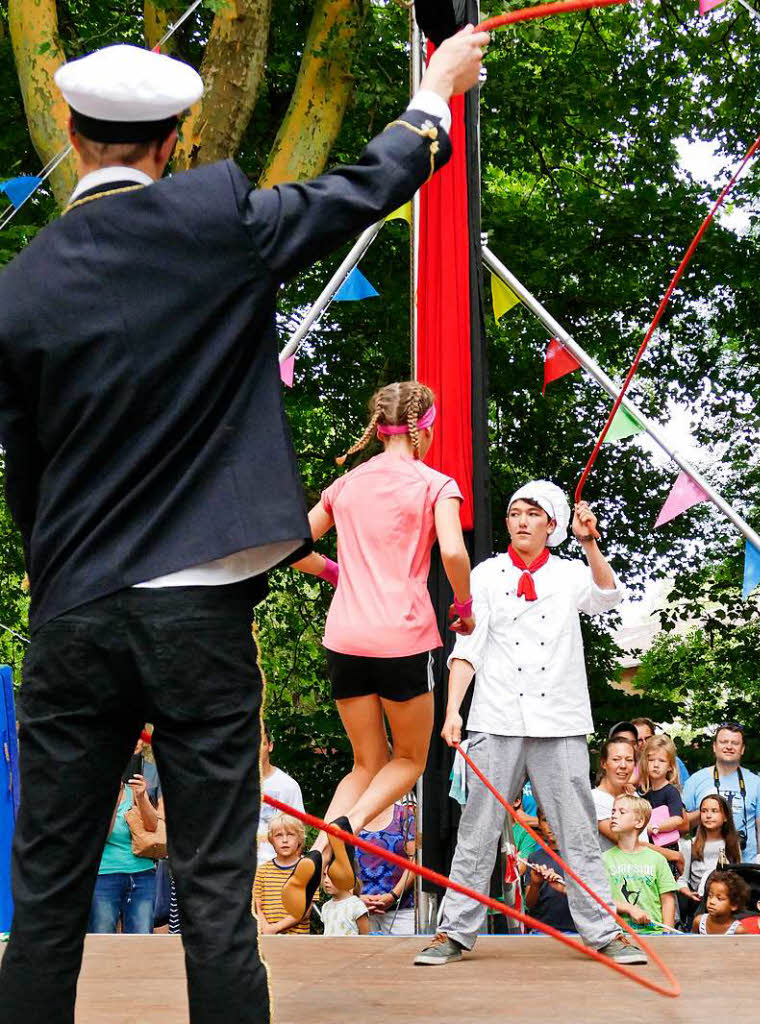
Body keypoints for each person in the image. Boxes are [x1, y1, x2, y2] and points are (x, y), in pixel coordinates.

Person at [0, 30, 489, 1024]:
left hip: (75, 613)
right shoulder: (218, 225)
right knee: (218, 900)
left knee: (44, 902)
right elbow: (368, 181)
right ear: (176, 139)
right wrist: (436, 89)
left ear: (67, 128)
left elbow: (28, 476)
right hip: (197, 618)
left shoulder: (21, 287)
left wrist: (59, 585)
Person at [413, 482, 646, 967]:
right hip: (496, 718)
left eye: (532, 514)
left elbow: (608, 594)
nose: (520, 520)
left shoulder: (568, 574)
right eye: (515, 512)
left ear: (551, 525)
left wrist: (588, 541)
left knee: (578, 831)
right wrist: (453, 710)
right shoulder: (485, 574)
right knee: (477, 830)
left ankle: (604, 932)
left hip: (559, 720)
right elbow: (468, 648)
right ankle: (454, 933)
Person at [284, 380, 475, 916]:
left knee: (365, 763)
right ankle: (346, 827)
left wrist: (335, 572)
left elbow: (293, 545)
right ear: (425, 429)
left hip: (345, 637)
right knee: (411, 759)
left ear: (377, 427)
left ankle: (320, 850)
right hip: (402, 637)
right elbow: (455, 553)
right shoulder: (435, 483)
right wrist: (462, 606)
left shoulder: (346, 485)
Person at [88, 739, 160, 934]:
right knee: (102, 938)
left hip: (143, 874)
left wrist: (141, 796)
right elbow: (102, 835)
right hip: (105, 875)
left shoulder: (135, 789)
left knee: (142, 939)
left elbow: (152, 826)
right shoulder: (96, 791)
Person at [682, 724, 760, 863]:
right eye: (723, 742)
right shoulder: (695, 780)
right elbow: (684, 825)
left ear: (743, 749)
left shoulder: (756, 783)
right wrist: (707, 812)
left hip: (747, 865)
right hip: (705, 865)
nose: (729, 746)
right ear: (714, 747)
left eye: (735, 743)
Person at [602, 795, 676, 933]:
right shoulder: (604, 859)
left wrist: (668, 934)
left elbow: (667, 900)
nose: (614, 816)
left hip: (654, 934)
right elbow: (598, 899)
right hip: (617, 936)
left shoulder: (657, 859)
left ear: (639, 822)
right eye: (613, 812)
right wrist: (628, 908)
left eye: (621, 812)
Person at [677, 794, 741, 929]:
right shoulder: (690, 844)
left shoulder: (732, 844)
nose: (708, 815)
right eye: (704, 811)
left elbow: (737, 876)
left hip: (725, 907)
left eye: (714, 811)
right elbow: (682, 879)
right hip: (698, 905)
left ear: (725, 817)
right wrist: (687, 892)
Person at [355, 800, 416, 935]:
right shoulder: (351, 817)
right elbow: (339, 862)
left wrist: (393, 896)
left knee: (405, 954)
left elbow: (415, 860)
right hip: (358, 909)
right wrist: (356, 898)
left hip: (402, 909)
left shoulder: (404, 815)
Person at [252, 815, 312, 936]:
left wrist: (275, 928)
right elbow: (256, 906)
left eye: (290, 834)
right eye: (279, 835)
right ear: (271, 840)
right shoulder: (262, 871)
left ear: (300, 839)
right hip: (267, 937)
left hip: (296, 941)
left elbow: (306, 910)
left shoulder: (307, 869)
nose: (285, 840)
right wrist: (266, 929)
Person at [523, 808, 576, 934]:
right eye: (546, 820)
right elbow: (529, 904)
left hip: (576, 930)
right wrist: (536, 883)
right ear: (540, 824)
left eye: (556, 819)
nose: (551, 825)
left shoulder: (578, 856)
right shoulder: (535, 857)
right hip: (541, 930)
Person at [257, 725, 305, 864]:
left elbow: (299, 834)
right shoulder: (233, 785)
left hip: (275, 871)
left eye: (260, 743)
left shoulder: (288, 786)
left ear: (270, 746)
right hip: (238, 872)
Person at [592, 737, 644, 852]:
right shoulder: (595, 800)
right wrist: (673, 855)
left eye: (629, 760)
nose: (623, 765)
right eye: (616, 759)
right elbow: (627, 841)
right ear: (603, 763)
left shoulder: (633, 795)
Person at [637, 734, 685, 848]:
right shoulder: (642, 791)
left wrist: (654, 827)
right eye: (651, 760)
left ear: (670, 766)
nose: (656, 765)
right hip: (645, 846)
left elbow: (677, 819)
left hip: (666, 845)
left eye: (662, 761)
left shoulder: (671, 791)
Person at [632, 717, 689, 784]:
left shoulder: (673, 760)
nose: (644, 743)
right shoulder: (628, 764)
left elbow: (687, 788)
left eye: (648, 738)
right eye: (639, 740)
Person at [692, 869, 750, 935]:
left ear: (734, 905)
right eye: (710, 896)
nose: (712, 902)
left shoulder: (738, 931)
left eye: (719, 898)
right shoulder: (698, 922)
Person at [320, 870, 370, 937]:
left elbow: (365, 938)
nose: (326, 880)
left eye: (331, 876)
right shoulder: (326, 906)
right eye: (325, 875)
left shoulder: (357, 906)